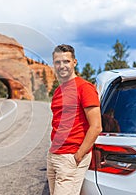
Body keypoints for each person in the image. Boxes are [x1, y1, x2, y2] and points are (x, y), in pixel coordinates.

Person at [47, 44, 102, 195]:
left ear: (74, 62)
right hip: (54, 155)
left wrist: (78, 155)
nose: (62, 66)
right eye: (58, 62)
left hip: (71, 156)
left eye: (66, 61)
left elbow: (96, 126)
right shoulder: (59, 90)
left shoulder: (85, 88)